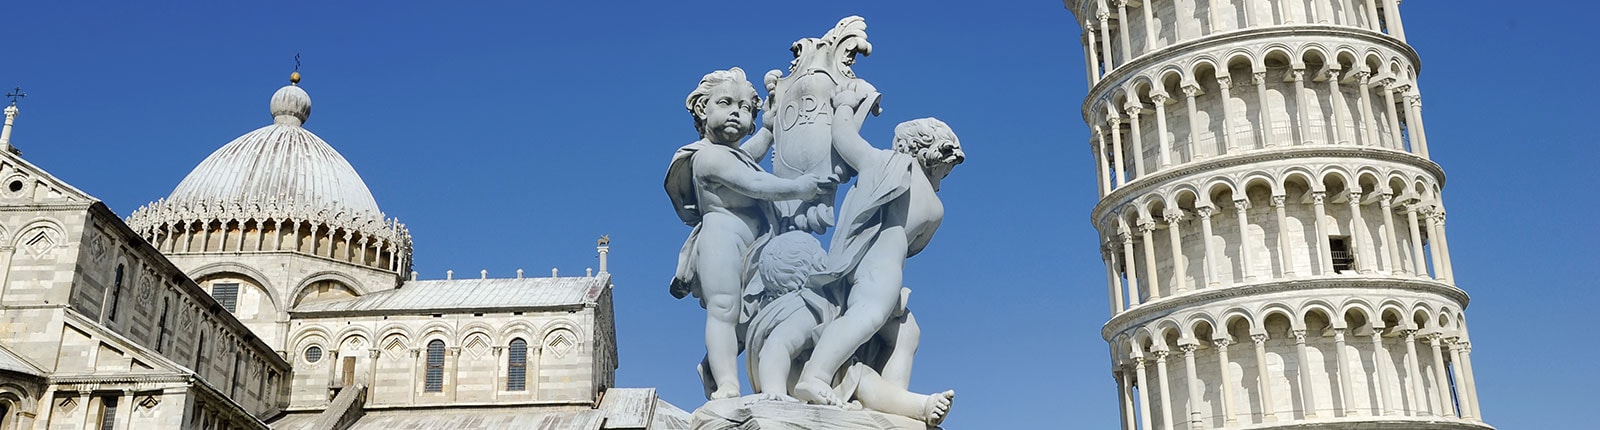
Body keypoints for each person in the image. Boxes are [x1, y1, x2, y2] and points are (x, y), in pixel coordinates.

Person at [664, 67, 835, 400]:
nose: (736, 113)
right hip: (722, 239)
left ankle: (712, 366)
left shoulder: (732, 154)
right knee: (724, 309)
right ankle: (728, 382)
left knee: (750, 316)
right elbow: (755, 182)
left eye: (744, 108)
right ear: (702, 109)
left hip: (757, 242)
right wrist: (800, 187)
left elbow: (748, 158)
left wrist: (770, 129)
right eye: (726, 103)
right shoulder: (707, 158)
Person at [791, 80, 965, 407]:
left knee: (906, 331)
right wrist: (843, 102)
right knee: (867, 318)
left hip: (872, 266)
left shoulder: (888, 167)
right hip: (883, 269)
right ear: (932, 153)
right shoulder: (914, 185)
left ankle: (891, 399)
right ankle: (815, 375)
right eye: (947, 165)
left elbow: (846, 139)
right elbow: (916, 245)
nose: (946, 174)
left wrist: (845, 106)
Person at [743, 230, 954, 426]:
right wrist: (775, 392)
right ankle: (921, 406)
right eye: (820, 255)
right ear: (814, 264)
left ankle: (901, 404)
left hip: (828, 381)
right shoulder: (806, 307)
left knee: (905, 330)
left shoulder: (823, 304)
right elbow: (777, 345)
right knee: (861, 377)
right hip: (808, 390)